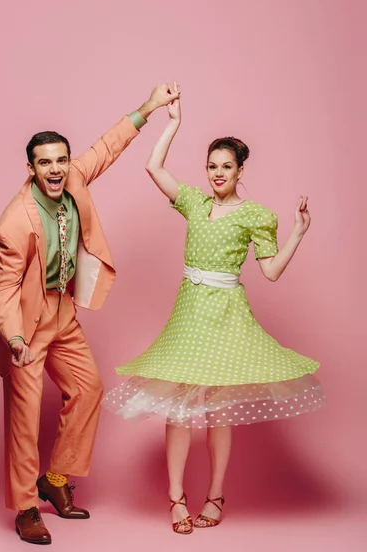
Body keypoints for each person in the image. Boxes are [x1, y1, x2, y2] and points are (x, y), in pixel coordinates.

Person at [103, 82, 325, 535]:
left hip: (227, 314)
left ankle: (216, 495)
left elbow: (271, 272)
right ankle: (176, 498)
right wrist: (173, 123)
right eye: (211, 166)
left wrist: (298, 234)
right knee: (178, 407)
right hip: (189, 313)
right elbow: (152, 166)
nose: (217, 173)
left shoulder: (258, 216)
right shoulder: (195, 202)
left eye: (226, 166)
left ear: (241, 170)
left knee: (220, 409)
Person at [0, 83, 179, 545]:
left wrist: (149, 108)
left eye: (60, 160)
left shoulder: (74, 176)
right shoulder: (14, 222)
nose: (55, 169)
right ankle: (26, 508)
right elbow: (4, 289)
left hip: (64, 313)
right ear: (30, 169)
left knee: (88, 390)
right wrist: (15, 339)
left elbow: (107, 146)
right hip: (28, 328)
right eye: (44, 162)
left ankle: (55, 480)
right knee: (25, 417)